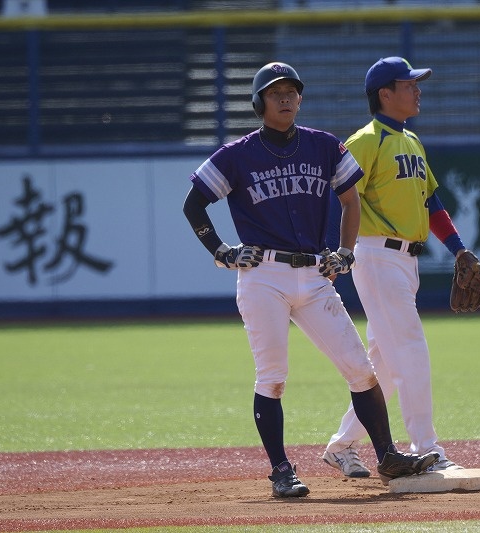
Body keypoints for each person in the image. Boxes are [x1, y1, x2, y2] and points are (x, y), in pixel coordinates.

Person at [182, 61, 439, 498]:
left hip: (315, 275)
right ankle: (281, 470)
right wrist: (221, 251)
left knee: (361, 370)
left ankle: (387, 456)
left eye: (291, 92)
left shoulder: (323, 146)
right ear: (259, 102)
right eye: (275, 92)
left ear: (300, 99)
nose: (285, 99)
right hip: (263, 275)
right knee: (272, 377)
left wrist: (345, 250)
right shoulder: (237, 154)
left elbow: (351, 201)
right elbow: (194, 204)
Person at [321, 57, 470, 478]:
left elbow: (431, 202)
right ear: (385, 93)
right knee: (410, 348)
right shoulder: (365, 141)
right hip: (376, 255)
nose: (417, 90)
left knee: (385, 363)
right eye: (409, 84)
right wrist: (335, 251)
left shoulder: (412, 141)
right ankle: (427, 447)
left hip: (406, 260)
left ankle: (342, 445)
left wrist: (459, 250)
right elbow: (341, 199)